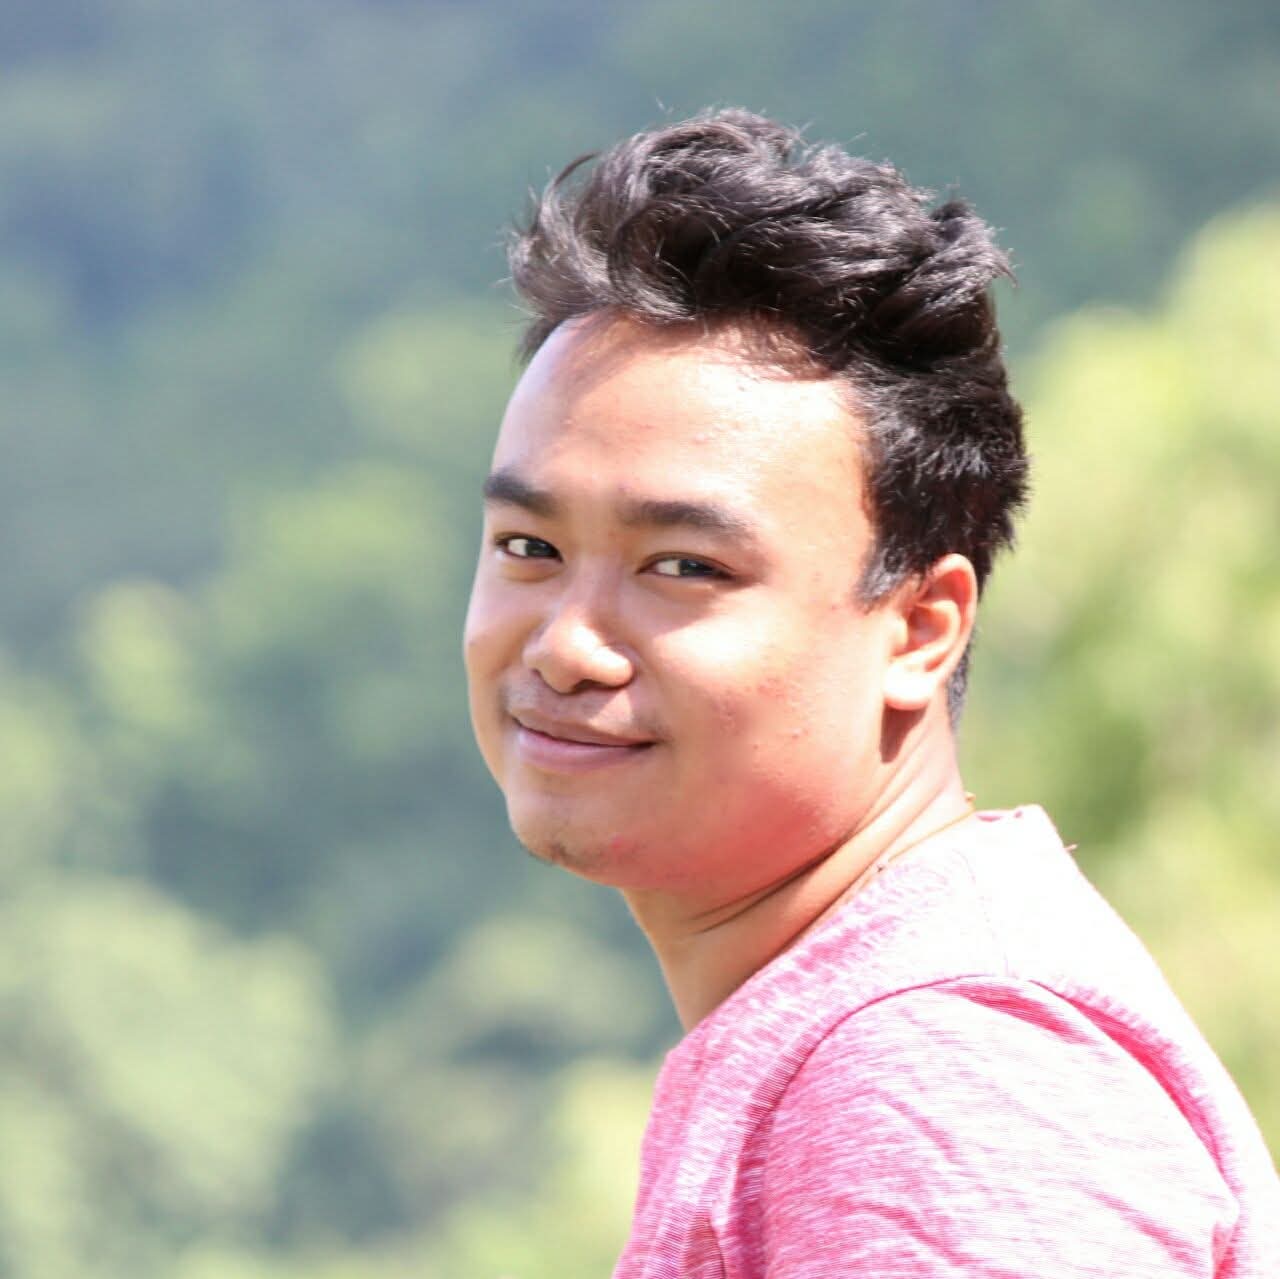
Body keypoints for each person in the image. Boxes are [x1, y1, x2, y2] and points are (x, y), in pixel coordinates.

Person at [462, 109, 1280, 1277]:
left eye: (682, 567)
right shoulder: (857, 1034)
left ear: (917, 627)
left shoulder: (939, 1074)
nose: (564, 646)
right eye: (528, 547)